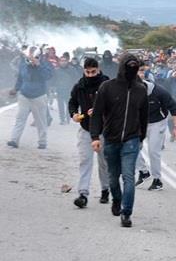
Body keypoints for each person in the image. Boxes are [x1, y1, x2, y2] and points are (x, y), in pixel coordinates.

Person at [90, 54, 149, 228]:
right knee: (113, 178)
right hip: (111, 138)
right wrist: (95, 137)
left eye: (135, 66)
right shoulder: (107, 87)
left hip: (132, 140)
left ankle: (126, 212)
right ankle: (117, 199)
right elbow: (98, 113)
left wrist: (141, 137)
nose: (132, 70)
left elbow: (143, 116)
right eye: (129, 66)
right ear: (122, 67)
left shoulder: (141, 90)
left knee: (129, 177)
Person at [68, 57, 110, 208]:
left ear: (98, 69)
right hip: (85, 128)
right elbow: (72, 102)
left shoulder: (107, 84)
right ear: (84, 71)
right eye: (88, 72)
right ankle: (83, 194)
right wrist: (73, 114)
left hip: (104, 130)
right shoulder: (79, 86)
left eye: (93, 72)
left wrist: (100, 110)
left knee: (104, 162)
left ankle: (106, 189)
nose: (91, 75)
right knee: (84, 161)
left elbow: (116, 104)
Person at [135, 64, 176, 190]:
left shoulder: (159, 92)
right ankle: (144, 172)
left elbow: (175, 109)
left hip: (157, 122)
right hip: (140, 123)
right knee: (131, 147)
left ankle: (157, 180)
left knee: (153, 151)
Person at [7, 46, 53, 149]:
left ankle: (42, 142)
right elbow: (20, 78)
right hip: (24, 95)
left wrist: (38, 66)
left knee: (41, 121)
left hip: (39, 96)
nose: (30, 58)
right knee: (20, 119)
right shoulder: (23, 64)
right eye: (29, 55)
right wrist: (15, 89)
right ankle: (14, 140)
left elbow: (48, 76)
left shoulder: (45, 64)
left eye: (33, 56)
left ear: (38, 55)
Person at [55, 52, 80, 125]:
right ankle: (62, 119)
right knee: (60, 105)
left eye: (64, 61)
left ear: (67, 61)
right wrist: (53, 89)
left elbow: (76, 79)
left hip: (69, 90)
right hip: (59, 90)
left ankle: (68, 118)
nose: (63, 62)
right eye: (61, 61)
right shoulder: (57, 70)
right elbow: (54, 80)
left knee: (68, 105)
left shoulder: (71, 69)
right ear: (59, 62)